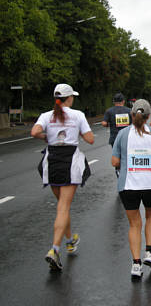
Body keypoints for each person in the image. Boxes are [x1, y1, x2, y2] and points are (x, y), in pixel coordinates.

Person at [31, 84, 94, 271]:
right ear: (69, 98)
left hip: (51, 161)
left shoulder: (46, 116)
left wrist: (46, 137)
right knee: (63, 207)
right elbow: (90, 139)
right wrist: (77, 133)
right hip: (70, 161)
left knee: (62, 207)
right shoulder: (78, 115)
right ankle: (54, 249)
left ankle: (69, 240)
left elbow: (34, 132)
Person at [112, 99, 151, 277]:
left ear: (132, 114)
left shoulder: (122, 134)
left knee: (134, 224)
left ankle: (136, 265)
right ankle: (149, 252)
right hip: (150, 184)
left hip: (128, 186)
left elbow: (114, 161)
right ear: (148, 116)